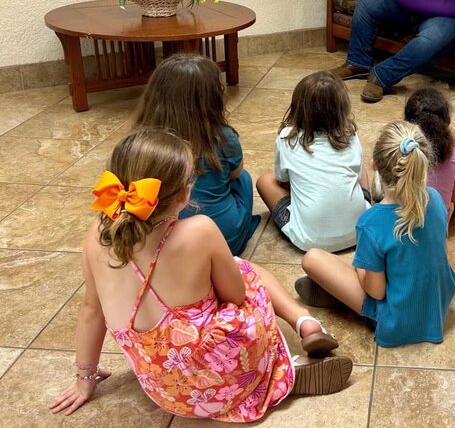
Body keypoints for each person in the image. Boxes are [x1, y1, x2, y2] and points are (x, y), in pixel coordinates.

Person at [48, 128, 351, 421]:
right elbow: (236, 295)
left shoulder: (94, 239)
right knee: (246, 272)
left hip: (167, 395)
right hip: (225, 381)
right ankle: (281, 372)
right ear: (184, 193)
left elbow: (91, 312)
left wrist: (85, 377)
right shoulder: (199, 231)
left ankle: (278, 368)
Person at [295, 122, 455, 348]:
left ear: (374, 165)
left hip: (396, 318)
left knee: (312, 258)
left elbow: (376, 291)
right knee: (376, 259)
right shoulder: (436, 199)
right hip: (436, 304)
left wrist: (360, 269)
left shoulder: (371, 223)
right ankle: (339, 291)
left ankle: (338, 296)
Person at [134, 53, 259, 255]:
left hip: (162, 245)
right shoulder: (224, 137)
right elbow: (236, 174)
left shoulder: (139, 144)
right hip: (224, 240)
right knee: (244, 179)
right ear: (213, 99)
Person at [256, 71, 370, 252]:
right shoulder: (350, 135)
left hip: (310, 241)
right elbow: (355, 175)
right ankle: (363, 201)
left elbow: (281, 180)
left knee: (265, 181)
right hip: (359, 231)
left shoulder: (287, 138)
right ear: (342, 108)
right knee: (361, 170)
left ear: (298, 107)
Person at [404, 87, 455, 216]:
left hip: (403, 218)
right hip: (440, 221)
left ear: (406, 121)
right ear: (448, 122)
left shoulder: (402, 148)